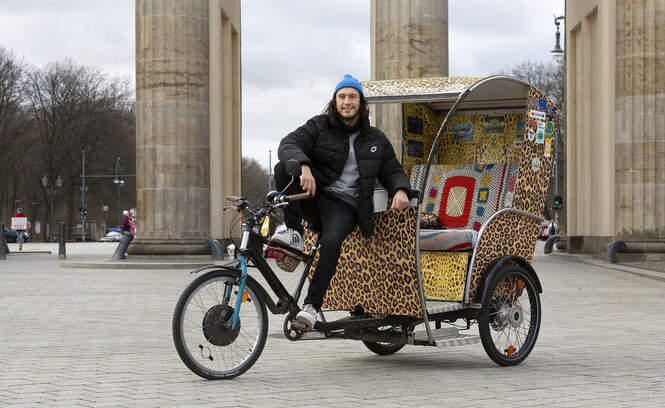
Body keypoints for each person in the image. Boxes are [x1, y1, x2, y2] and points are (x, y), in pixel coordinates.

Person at [272, 74, 411, 329]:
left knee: (332, 241)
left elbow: (392, 170)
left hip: (346, 205)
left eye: (352, 97)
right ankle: (294, 232)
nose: (347, 102)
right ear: (335, 101)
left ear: (361, 102)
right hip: (317, 192)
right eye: (342, 97)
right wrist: (303, 164)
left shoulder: (375, 138)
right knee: (283, 168)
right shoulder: (319, 125)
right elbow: (288, 143)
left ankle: (311, 307)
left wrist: (401, 189)